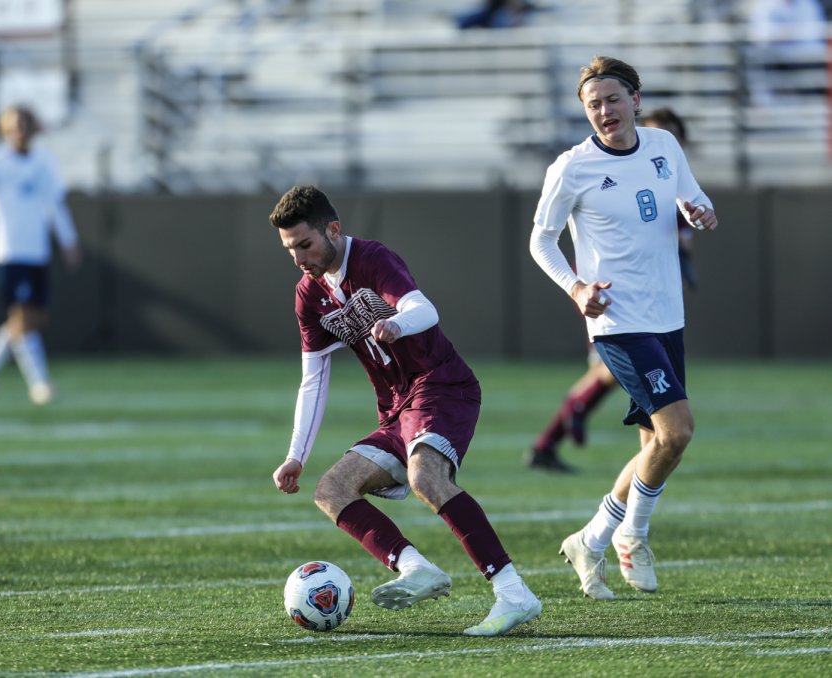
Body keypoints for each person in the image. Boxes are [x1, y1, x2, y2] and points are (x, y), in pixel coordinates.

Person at [270, 185, 541, 636]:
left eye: (306, 244)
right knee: (331, 489)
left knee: (425, 477)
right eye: (289, 249)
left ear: (333, 229)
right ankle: (417, 568)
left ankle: (514, 593)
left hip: (441, 384)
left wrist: (396, 322)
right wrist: (296, 453)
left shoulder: (373, 258)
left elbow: (423, 309)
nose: (299, 257)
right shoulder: (308, 295)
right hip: (398, 409)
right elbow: (314, 377)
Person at [530, 55, 717, 600]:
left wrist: (702, 210)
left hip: (667, 316)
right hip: (617, 319)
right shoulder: (571, 167)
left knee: (657, 445)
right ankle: (631, 534)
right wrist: (576, 288)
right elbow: (541, 240)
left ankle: (591, 539)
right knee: (677, 431)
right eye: (593, 105)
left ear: (635, 100)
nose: (604, 111)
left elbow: (690, 197)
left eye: (613, 100)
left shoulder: (664, 146)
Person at [527, 106, 699, 473]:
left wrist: (694, 216)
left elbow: (684, 212)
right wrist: (576, 287)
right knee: (627, 388)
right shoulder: (580, 166)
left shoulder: (665, 164)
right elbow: (542, 240)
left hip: (658, 305)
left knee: (656, 431)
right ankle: (571, 416)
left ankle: (619, 520)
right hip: (610, 296)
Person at [0, 106, 80, 405]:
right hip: (8, 251)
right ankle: (40, 384)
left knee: (33, 320)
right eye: (14, 125)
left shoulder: (44, 161)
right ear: (4, 129)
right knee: (22, 316)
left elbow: (55, 203)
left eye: (25, 124)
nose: (20, 130)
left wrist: (69, 240)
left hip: (37, 251)